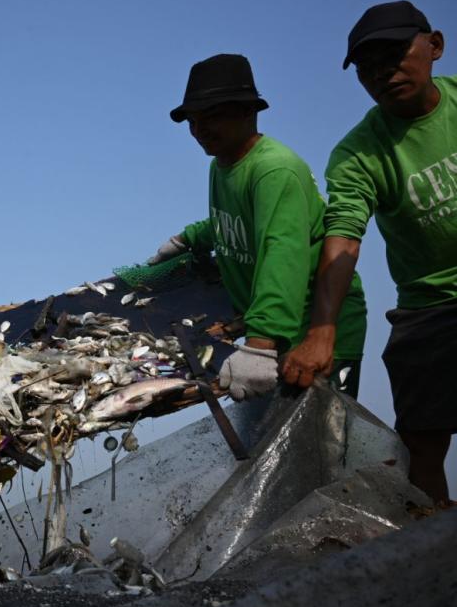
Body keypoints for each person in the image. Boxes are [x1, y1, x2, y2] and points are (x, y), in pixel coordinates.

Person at [282, 1, 455, 506]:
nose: (384, 71)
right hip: (429, 306)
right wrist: (321, 331)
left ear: (435, 47)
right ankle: (437, 556)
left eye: (397, 53)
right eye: (367, 66)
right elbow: (344, 234)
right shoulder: (358, 152)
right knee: (421, 442)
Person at [150, 54, 368, 402]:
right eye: (193, 120)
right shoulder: (222, 164)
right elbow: (233, 218)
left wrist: (259, 345)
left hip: (315, 333)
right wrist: (187, 239)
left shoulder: (274, 170)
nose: (200, 129)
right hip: (272, 333)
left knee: (321, 448)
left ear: (249, 112)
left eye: (213, 116)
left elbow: (283, 253)